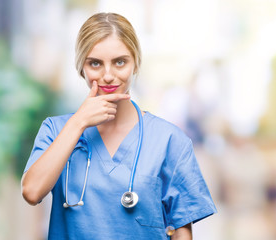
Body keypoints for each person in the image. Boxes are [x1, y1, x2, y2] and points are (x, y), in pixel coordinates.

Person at [21, 12, 216, 240]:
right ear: (80, 67)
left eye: (120, 62)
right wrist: (79, 122)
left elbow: (181, 231)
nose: (108, 76)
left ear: (135, 63)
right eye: (95, 63)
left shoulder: (169, 141)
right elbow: (32, 192)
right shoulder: (56, 130)